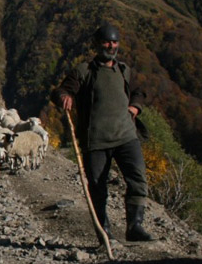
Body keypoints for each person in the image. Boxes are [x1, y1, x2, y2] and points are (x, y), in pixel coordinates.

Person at [51, 22, 154, 243]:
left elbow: (139, 91)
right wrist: (64, 97)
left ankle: (135, 226)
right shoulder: (84, 71)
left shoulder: (124, 70)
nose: (111, 45)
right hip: (95, 140)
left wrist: (135, 105)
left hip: (126, 136)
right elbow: (61, 90)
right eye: (107, 42)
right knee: (97, 187)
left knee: (137, 179)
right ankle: (104, 233)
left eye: (114, 42)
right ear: (97, 45)